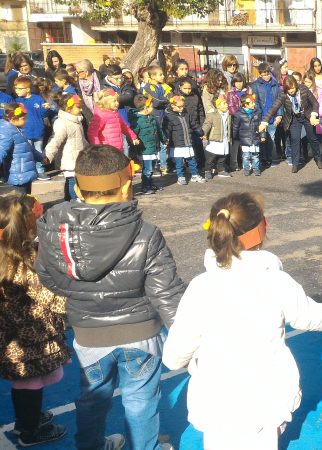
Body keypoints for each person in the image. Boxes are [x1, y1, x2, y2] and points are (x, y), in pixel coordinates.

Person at [163, 192, 322, 448]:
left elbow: (173, 358)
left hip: (217, 402)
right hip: (264, 400)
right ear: (263, 228)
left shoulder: (201, 287)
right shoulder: (276, 281)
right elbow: (312, 317)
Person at [36, 144, 186, 450]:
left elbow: (48, 277)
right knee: (141, 400)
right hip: (140, 333)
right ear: (127, 185)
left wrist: (80, 296)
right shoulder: (145, 233)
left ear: (77, 188)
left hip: (89, 336)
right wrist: (190, 338)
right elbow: (166, 292)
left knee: (92, 398)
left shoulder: (55, 232)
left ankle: (90, 445)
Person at [0, 194, 70, 447]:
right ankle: (28, 430)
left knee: (25, 381)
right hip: (31, 339)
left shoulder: (5, 257)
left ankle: (28, 418)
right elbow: (49, 297)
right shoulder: (27, 263)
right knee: (29, 382)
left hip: (9, 338)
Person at [263, 76, 322, 173]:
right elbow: (274, 107)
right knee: (295, 140)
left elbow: (315, 103)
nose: (291, 91)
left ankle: (318, 158)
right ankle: (295, 164)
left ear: (296, 86)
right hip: (294, 118)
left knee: (313, 138)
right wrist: (264, 121)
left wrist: (313, 115)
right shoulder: (283, 94)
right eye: (289, 89)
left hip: (307, 116)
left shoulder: (303, 88)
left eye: (293, 88)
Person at [45, 93, 88, 200]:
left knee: (76, 182)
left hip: (78, 158)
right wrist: (48, 155)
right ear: (68, 108)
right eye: (78, 107)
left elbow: (82, 140)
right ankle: (72, 202)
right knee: (72, 182)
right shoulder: (62, 123)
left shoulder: (77, 121)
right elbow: (55, 140)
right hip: (69, 160)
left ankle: (70, 201)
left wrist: (91, 149)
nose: (81, 109)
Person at [13, 76, 55, 180]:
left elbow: (42, 114)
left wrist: (46, 109)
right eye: (16, 88)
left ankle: (40, 171)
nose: (16, 90)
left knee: (39, 152)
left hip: (38, 132)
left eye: (19, 88)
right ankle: (29, 172)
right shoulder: (17, 101)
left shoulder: (37, 99)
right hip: (25, 132)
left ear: (27, 89)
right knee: (27, 152)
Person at [0, 103, 43, 193]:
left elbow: (28, 148)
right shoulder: (7, 132)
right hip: (19, 174)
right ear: (13, 118)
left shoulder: (17, 130)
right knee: (21, 201)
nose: (26, 121)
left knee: (26, 199)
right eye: (23, 118)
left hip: (25, 172)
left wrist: (41, 157)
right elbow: (1, 151)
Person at [163, 94, 205, 185]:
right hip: (177, 144)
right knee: (179, 163)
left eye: (183, 106)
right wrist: (165, 139)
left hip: (188, 142)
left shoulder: (186, 114)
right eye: (179, 107)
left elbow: (193, 124)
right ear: (173, 105)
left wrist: (200, 132)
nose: (182, 108)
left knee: (192, 160)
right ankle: (180, 176)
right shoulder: (169, 117)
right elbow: (167, 130)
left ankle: (195, 175)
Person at [129, 95, 166, 195]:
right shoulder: (138, 121)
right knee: (147, 169)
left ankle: (150, 184)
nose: (153, 109)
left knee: (151, 168)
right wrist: (134, 145)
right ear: (145, 107)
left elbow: (159, 131)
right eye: (151, 107)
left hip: (153, 147)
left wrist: (164, 139)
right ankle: (145, 186)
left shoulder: (152, 118)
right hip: (145, 150)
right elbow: (132, 135)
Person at [87, 89, 140, 153]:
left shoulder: (115, 114)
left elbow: (124, 127)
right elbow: (92, 133)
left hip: (118, 148)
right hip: (107, 151)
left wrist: (133, 137)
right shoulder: (100, 115)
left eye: (117, 101)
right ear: (105, 102)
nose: (117, 103)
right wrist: (98, 149)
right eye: (114, 101)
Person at [252, 62, 283, 168]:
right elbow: (255, 102)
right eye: (263, 74)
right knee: (261, 139)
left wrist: (279, 115)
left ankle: (269, 158)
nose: (266, 76)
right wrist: (259, 117)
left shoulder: (275, 84)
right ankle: (262, 159)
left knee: (271, 140)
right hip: (261, 118)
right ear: (260, 74)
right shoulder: (255, 85)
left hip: (273, 117)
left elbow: (280, 100)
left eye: (267, 73)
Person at [233, 94, 267, 177]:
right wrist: (235, 137)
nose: (254, 104)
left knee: (255, 155)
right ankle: (246, 169)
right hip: (245, 139)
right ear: (246, 104)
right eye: (252, 102)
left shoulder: (257, 113)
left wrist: (263, 135)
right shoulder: (238, 114)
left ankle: (256, 169)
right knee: (246, 156)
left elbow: (261, 125)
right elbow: (235, 127)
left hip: (255, 137)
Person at [202, 96, 233, 180]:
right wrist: (203, 133)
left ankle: (221, 170)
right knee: (211, 157)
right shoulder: (212, 115)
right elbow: (207, 124)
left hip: (225, 139)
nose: (227, 105)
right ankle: (207, 170)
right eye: (224, 103)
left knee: (223, 156)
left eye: (226, 103)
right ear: (218, 106)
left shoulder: (228, 115)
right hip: (215, 140)